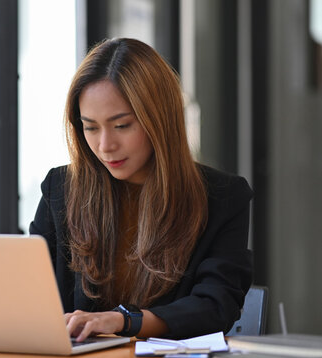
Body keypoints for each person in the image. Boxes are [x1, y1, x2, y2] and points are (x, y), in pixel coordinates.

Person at [29, 38, 253, 341]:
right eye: (91, 127)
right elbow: (29, 294)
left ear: (159, 120)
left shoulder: (222, 197)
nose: (105, 146)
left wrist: (122, 321)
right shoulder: (62, 189)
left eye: (122, 125)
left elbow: (216, 307)